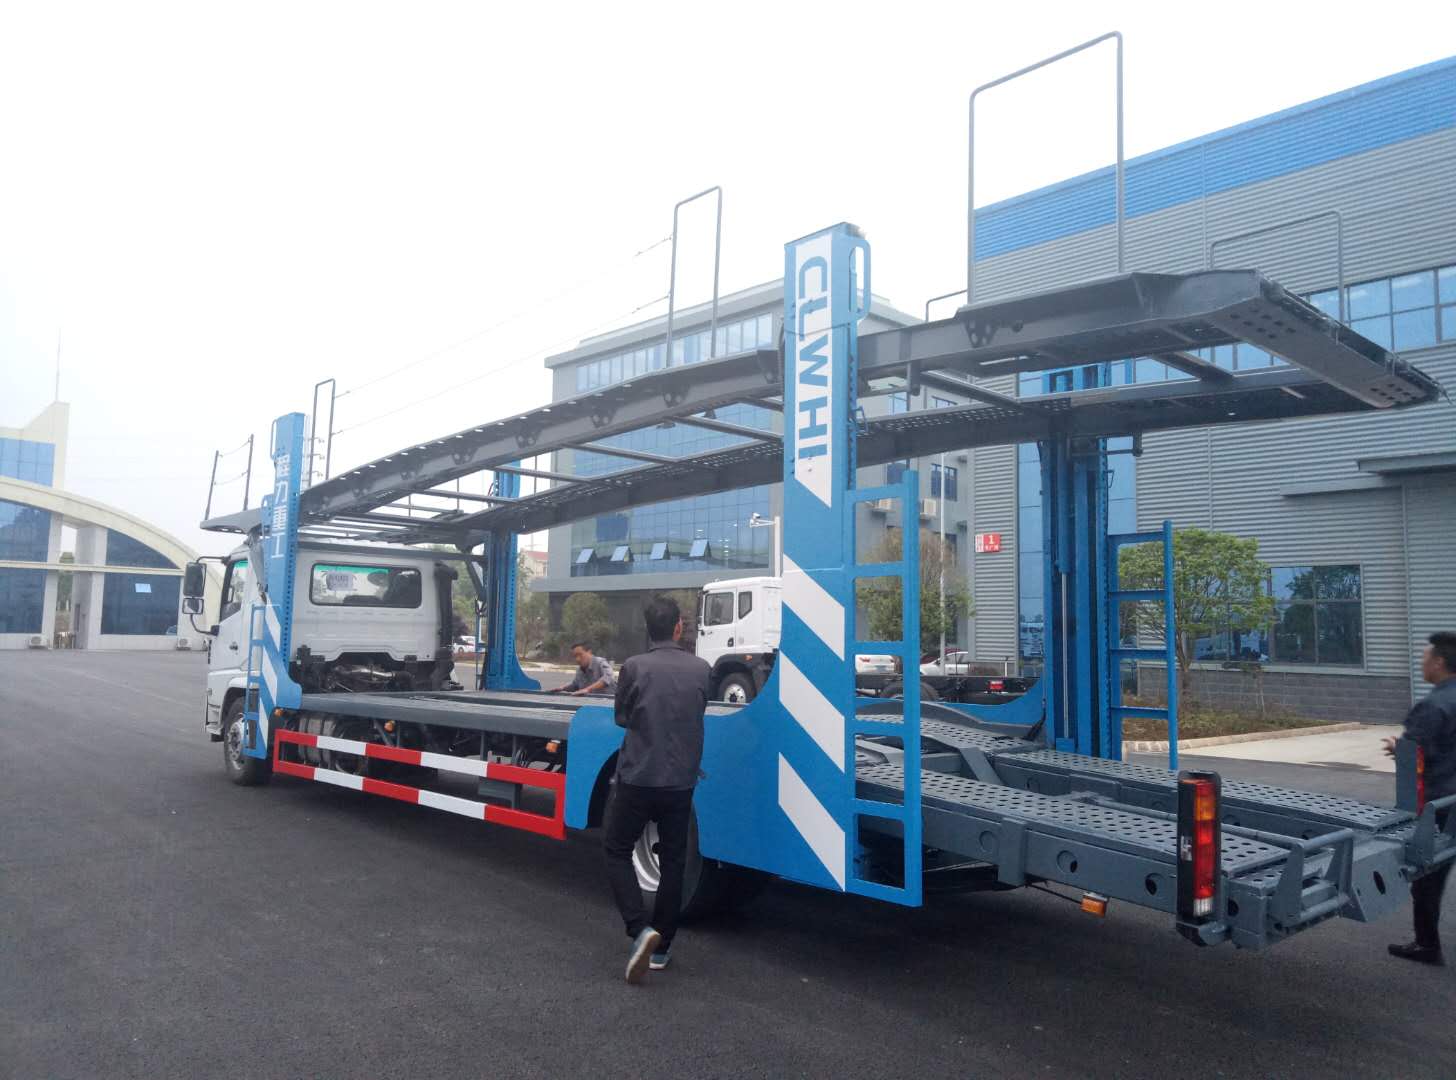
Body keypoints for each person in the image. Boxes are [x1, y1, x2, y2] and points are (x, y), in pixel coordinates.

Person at [602, 595, 711, 984]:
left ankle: (639, 929)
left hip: (638, 777)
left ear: (649, 629)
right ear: (679, 627)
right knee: (674, 862)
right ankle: (662, 947)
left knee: (617, 849)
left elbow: (621, 718)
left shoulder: (634, 667)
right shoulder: (702, 669)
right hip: (680, 782)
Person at [1383, 631, 1456, 965]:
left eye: (1425, 658)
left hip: (1439, 805)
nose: (1422, 663)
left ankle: (1427, 945)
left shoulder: (1433, 706)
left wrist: (1398, 749)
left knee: (1427, 876)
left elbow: (1413, 757)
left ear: (1439, 662)